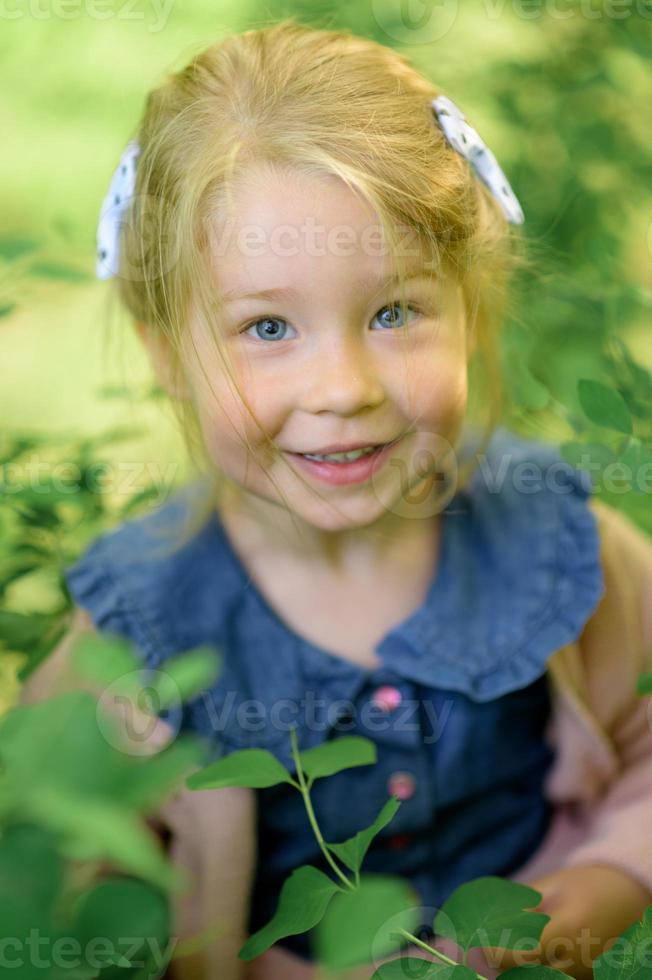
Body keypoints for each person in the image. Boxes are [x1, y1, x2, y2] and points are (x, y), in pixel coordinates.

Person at [20, 19, 652, 980]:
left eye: (395, 312)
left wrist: (609, 875)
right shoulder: (134, 637)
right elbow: (55, 872)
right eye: (267, 325)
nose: (345, 386)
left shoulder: (560, 547)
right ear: (165, 355)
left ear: (470, 310)